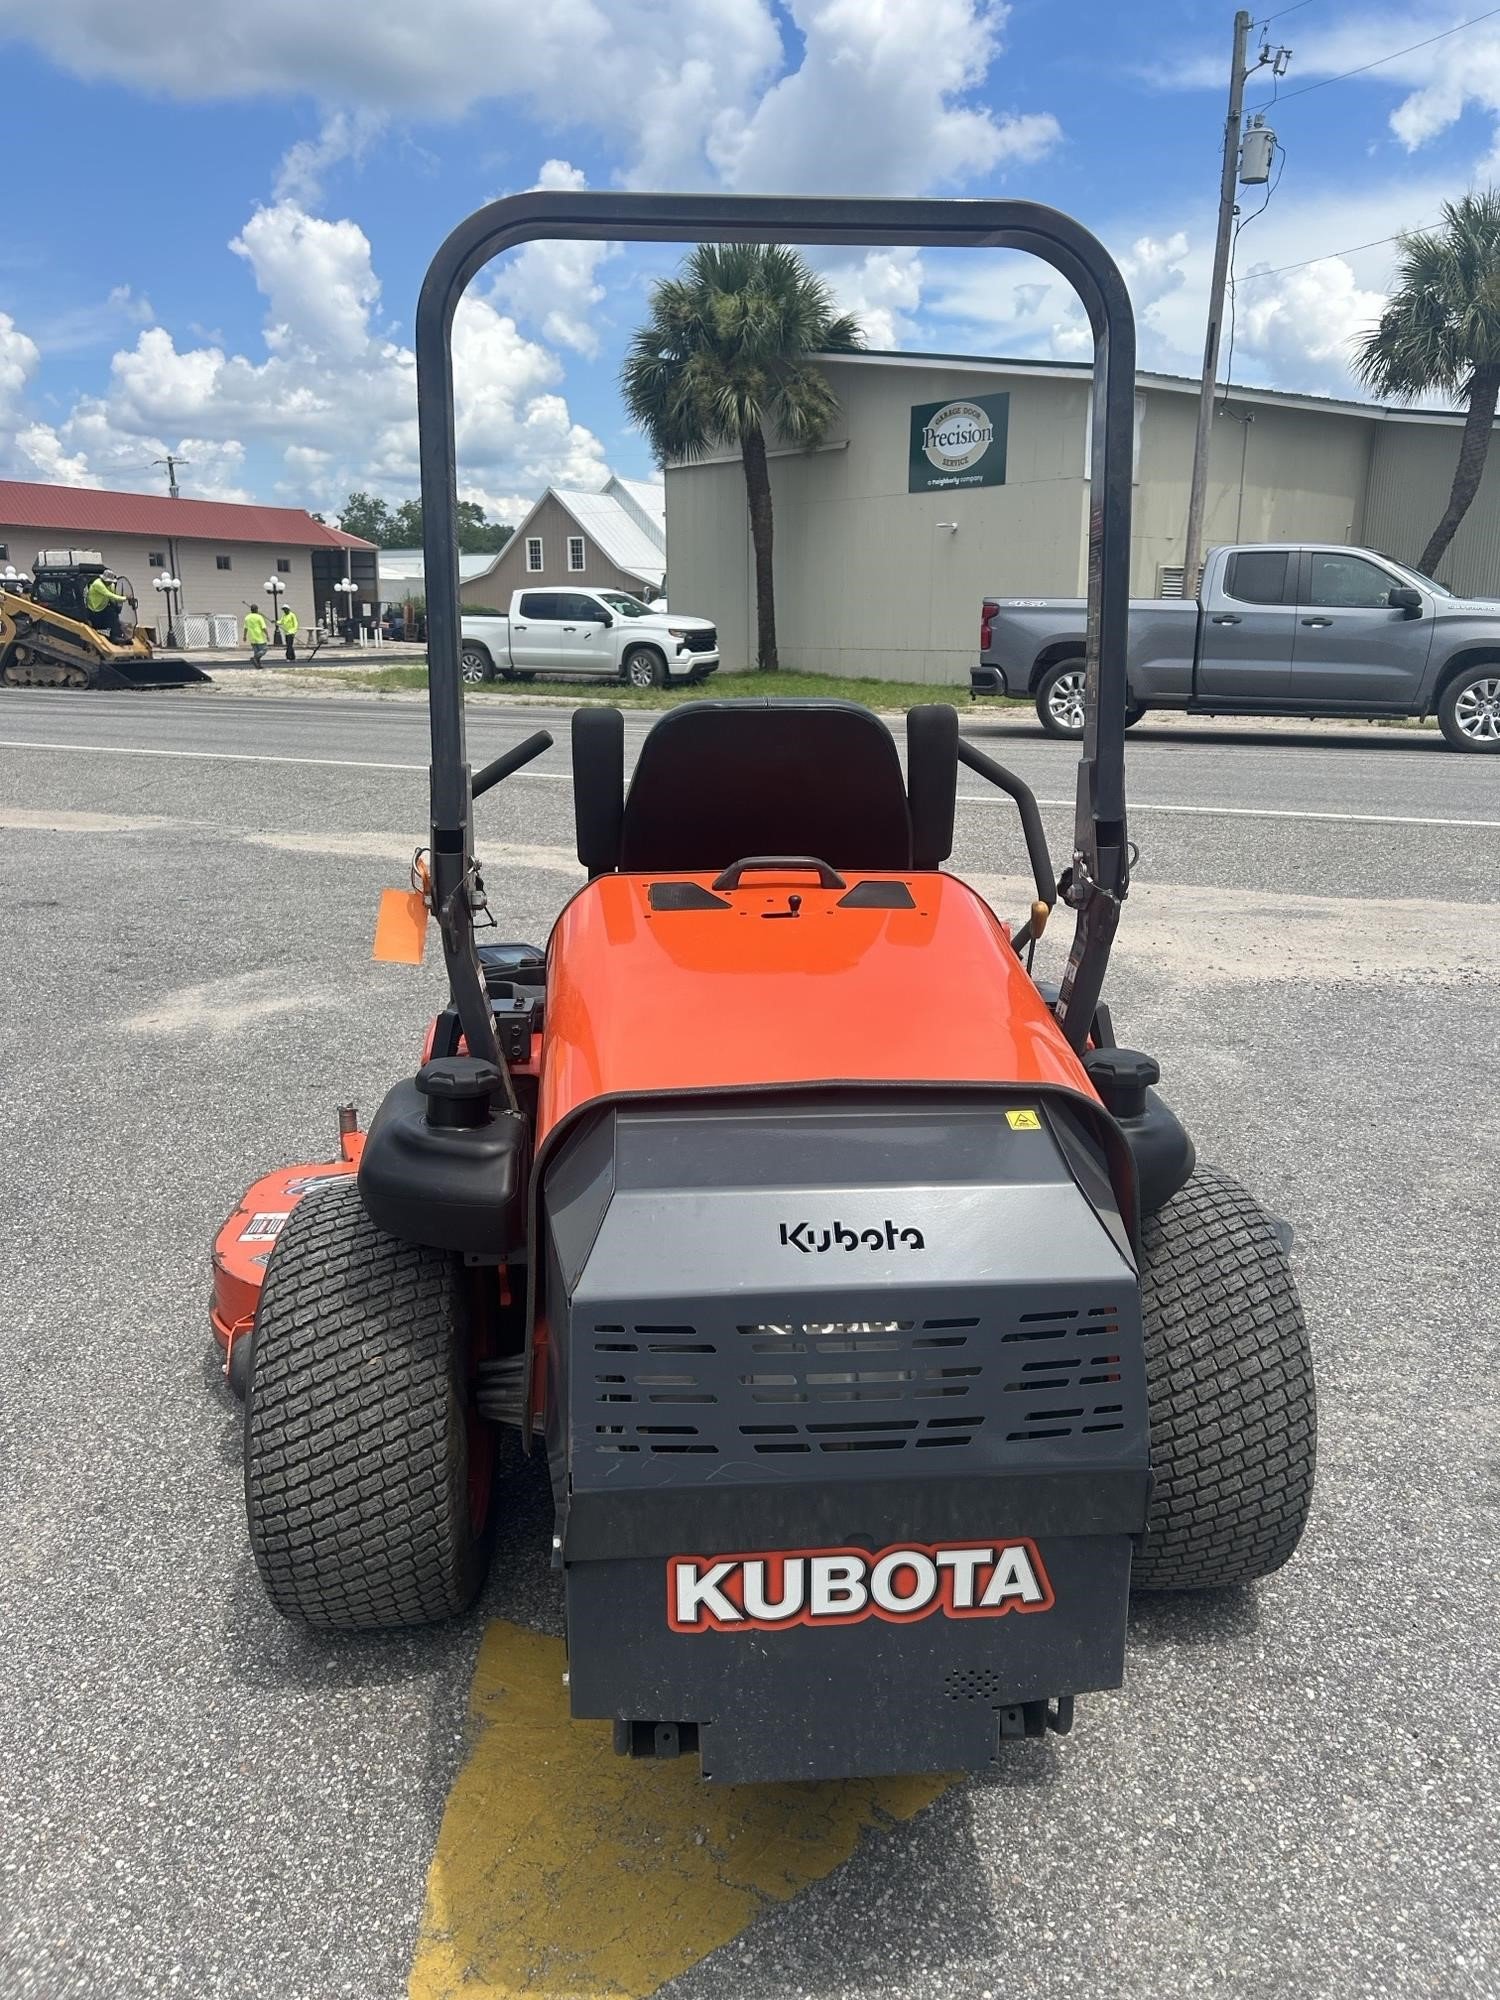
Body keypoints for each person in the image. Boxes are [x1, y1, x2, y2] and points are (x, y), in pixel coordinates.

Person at [84, 570, 128, 642]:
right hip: (95, 609)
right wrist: (125, 598)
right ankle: (109, 637)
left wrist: (116, 606)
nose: (110, 583)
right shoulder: (98, 584)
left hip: (103, 607)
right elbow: (109, 594)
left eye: (111, 581)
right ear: (104, 579)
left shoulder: (110, 585)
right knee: (97, 627)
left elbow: (112, 596)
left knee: (113, 615)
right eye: (109, 581)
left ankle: (118, 635)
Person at [244, 602, 270, 668]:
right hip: (259, 637)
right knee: (264, 649)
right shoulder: (259, 617)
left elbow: (245, 628)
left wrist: (244, 636)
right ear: (256, 609)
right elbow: (263, 627)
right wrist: (267, 635)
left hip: (252, 637)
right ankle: (254, 658)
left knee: (256, 651)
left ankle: (258, 665)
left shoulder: (247, 617)